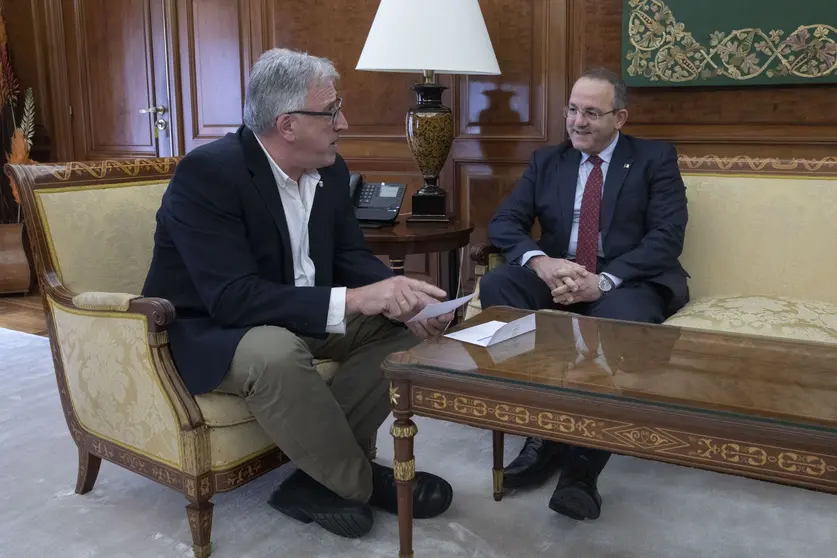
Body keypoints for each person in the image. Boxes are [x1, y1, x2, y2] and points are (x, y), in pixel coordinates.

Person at [142, 48, 455, 539]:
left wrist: (401, 299)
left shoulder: (329, 168)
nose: (344, 122)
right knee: (277, 351)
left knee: (406, 336)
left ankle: (314, 482)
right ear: (287, 124)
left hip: (298, 315)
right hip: (217, 330)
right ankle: (359, 481)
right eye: (332, 111)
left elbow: (350, 256)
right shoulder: (209, 174)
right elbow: (232, 299)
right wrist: (354, 300)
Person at [479, 67, 689, 521]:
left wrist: (604, 281)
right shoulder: (548, 161)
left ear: (621, 117)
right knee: (498, 285)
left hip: (626, 280)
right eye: (573, 110)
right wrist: (542, 263)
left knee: (625, 322)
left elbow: (667, 237)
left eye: (592, 113)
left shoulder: (654, 159)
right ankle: (543, 430)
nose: (578, 121)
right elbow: (505, 223)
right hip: (560, 273)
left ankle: (583, 465)